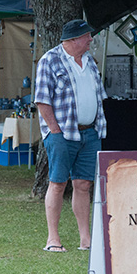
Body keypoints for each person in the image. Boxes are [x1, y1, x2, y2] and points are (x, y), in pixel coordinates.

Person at [34, 19, 107, 253]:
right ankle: (52, 239)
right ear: (73, 39)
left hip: (89, 132)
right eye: (86, 36)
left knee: (84, 184)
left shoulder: (89, 61)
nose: (90, 40)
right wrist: (55, 131)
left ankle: (85, 240)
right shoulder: (49, 60)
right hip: (62, 133)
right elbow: (42, 100)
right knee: (57, 183)